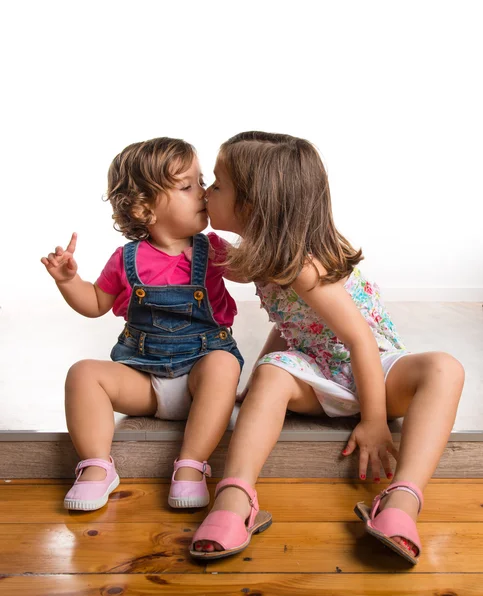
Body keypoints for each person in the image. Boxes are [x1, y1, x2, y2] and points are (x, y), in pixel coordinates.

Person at [190, 131, 464, 565]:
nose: (207, 192)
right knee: (269, 372)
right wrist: (261, 385)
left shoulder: (303, 265)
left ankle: (402, 499)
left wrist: (374, 421)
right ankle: (234, 498)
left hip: (374, 370)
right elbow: (293, 325)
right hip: (319, 377)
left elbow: (359, 340)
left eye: (218, 184)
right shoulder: (267, 258)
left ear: (253, 204)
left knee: (445, 368)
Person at [41, 137, 244, 512]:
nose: (203, 192)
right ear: (145, 207)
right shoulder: (126, 259)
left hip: (201, 378)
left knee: (224, 364)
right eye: (188, 186)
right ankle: (97, 466)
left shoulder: (212, 248)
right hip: (145, 383)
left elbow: (254, 271)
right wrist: (69, 281)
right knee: (83, 374)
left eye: (203, 181)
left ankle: (190, 464)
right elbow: (95, 304)